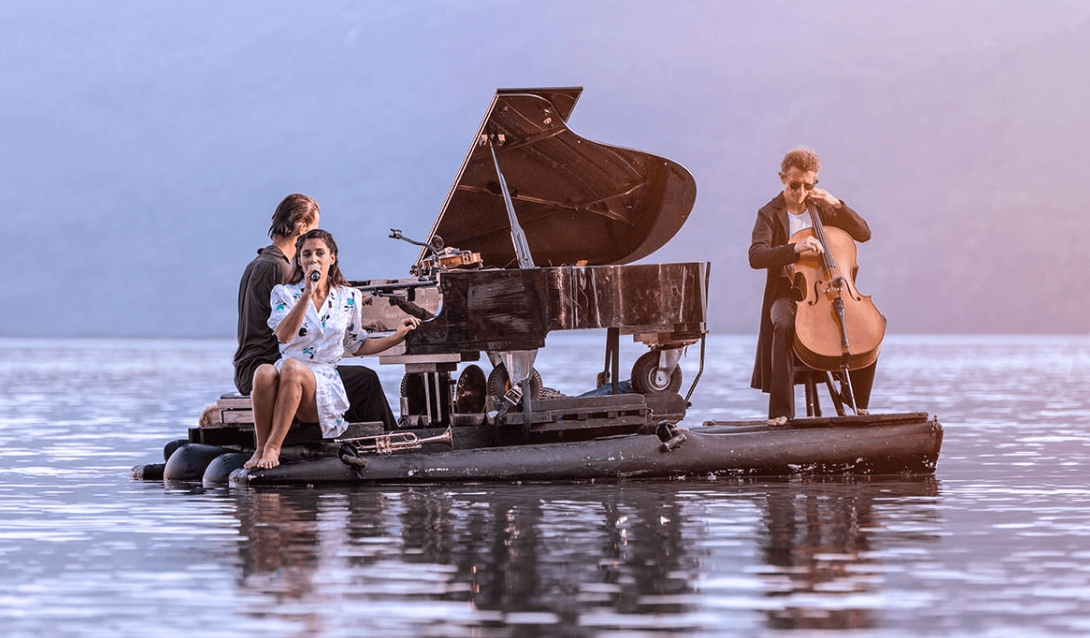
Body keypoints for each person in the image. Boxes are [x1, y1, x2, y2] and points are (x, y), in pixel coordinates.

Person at [246, 229, 419, 469]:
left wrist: (396, 337)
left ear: (332, 257)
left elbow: (357, 345)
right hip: (286, 373)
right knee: (263, 372)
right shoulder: (284, 294)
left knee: (293, 369)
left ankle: (274, 447)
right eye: (306, 254)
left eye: (319, 253)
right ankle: (261, 448)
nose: (313, 259)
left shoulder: (349, 297)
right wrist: (307, 294)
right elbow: (284, 336)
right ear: (299, 259)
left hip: (320, 381)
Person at [232, 194, 397, 429]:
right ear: (301, 227)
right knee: (365, 380)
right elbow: (311, 321)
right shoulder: (283, 271)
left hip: (246, 368)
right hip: (267, 370)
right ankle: (387, 440)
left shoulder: (257, 263)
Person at [748, 147, 877, 426]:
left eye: (809, 185)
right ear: (782, 178)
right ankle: (781, 412)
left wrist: (838, 204)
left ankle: (858, 402)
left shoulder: (824, 210)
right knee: (782, 324)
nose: (801, 192)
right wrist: (794, 249)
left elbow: (864, 234)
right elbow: (756, 256)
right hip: (787, 293)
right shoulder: (769, 213)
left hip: (830, 292)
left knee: (868, 325)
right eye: (795, 185)